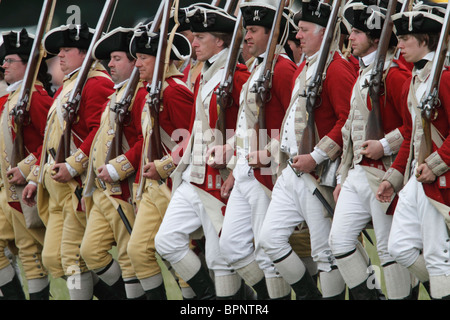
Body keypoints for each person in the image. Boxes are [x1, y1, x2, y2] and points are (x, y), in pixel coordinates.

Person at [258, 0, 356, 299]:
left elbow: (348, 122)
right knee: (269, 240)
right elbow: (291, 122)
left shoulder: (337, 69)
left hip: (316, 174)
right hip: (292, 170)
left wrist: (316, 156)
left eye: (304, 30)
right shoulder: (306, 66)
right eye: (298, 30)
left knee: (325, 253)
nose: (297, 36)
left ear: (325, 33)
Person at [154, 4, 251, 299]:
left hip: (219, 174)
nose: (193, 43)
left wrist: (235, 167)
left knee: (221, 257)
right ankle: (209, 297)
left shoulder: (236, 75)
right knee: (166, 241)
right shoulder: (206, 72)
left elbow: (249, 126)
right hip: (194, 173)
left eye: (200, 37)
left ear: (220, 41)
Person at [207, 0, 296, 300]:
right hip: (246, 167)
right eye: (246, 29)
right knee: (230, 247)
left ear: (273, 35)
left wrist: (269, 152)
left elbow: (291, 122)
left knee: (266, 249)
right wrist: (230, 154)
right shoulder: (257, 70)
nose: (246, 36)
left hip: (266, 171)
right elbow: (246, 127)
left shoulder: (282, 70)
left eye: (254, 30)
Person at [22, 23, 115, 300]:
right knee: (53, 259)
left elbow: (100, 133)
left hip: (77, 185)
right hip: (57, 188)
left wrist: (74, 165)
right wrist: (34, 175)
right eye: (59, 50)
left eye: (67, 50)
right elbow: (51, 142)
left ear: (85, 53)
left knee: (75, 259)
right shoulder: (70, 86)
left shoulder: (96, 83)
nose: (59, 56)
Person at [328, 1, 414, 300]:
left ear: (376, 39)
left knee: (390, 251)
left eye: (357, 33)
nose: (350, 38)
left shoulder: (395, 75)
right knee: (338, 244)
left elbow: (413, 125)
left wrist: (384, 144)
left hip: (384, 174)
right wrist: (341, 178)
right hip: (355, 174)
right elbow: (348, 133)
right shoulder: (363, 73)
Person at [376, 2, 450, 299]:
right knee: (399, 248)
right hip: (416, 178)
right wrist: (393, 177)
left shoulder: (443, 77)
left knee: (436, 256)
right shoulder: (417, 78)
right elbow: (411, 134)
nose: (400, 43)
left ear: (425, 41)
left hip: (437, 180)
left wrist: (436, 164)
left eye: (406, 38)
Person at [126, 23, 195, 300]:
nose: (137, 63)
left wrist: (164, 166)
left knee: (180, 251)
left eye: (144, 57)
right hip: (154, 186)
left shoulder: (174, 91)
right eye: (137, 57)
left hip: (172, 184)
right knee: (137, 250)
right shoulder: (154, 91)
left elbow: (191, 140)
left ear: (162, 60)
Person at [79, 26, 148, 300]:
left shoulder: (139, 94)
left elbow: (148, 140)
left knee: (130, 256)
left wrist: (117, 168)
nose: (110, 64)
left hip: (124, 189)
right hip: (102, 190)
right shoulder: (116, 96)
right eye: (110, 59)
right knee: (90, 252)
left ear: (133, 62)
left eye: (117, 58)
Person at [0, 28, 53, 299]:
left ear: (29, 64)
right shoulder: (13, 97)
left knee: (48, 257)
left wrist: (26, 167)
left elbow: (53, 142)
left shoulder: (36, 97)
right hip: (10, 192)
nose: (4, 65)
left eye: (10, 60)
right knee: (25, 253)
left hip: (29, 189)